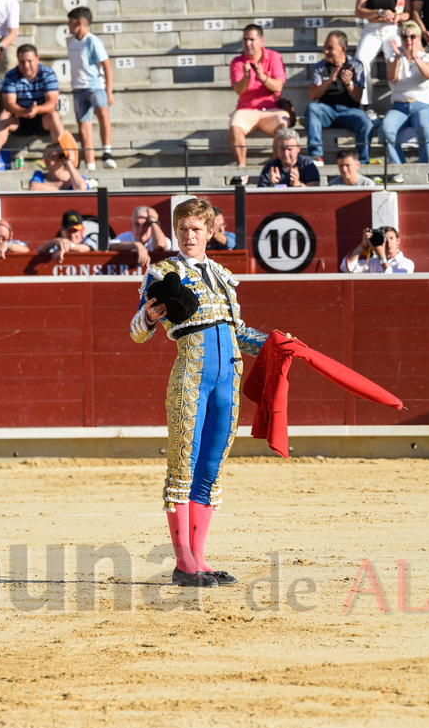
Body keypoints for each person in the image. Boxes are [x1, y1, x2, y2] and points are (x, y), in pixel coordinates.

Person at [130, 197, 270, 588]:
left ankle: (200, 559)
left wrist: (275, 344)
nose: (188, 236)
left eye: (196, 230)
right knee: (183, 467)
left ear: (210, 232)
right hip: (191, 378)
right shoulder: (162, 272)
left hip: (229, 381)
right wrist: (149, 316)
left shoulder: (224, 275)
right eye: (182, 230)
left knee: (210, 468)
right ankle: (184, 562)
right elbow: (136, 332)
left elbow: (237, 332)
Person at [379, 22, 429, 183]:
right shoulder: (394, 58)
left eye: (412, 36)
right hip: (400, 106)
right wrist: (399, 57)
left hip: (425, 105)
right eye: (405, 36)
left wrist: (415, 57)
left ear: (419, 38)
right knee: (386, 129)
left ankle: (424, 169)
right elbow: (392, 77)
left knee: (425, 126)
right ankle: (399, 170)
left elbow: (428, 74)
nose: (409, 40)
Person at [0, 44, 72, 162]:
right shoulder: (11, 75)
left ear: (37, 59)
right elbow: (9, 104)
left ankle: (63, 156)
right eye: (22, 62)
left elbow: (51, 103)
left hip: (42, 119)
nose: (26, 65)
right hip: (19, 118)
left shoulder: (47, 74)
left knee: (54, 115)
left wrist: (36, 110)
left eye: (29, 61)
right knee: (3, 116)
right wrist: (24, 112)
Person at [353, 0, 412, 111]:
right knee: (361, 59)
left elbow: (408, 12)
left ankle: (398, 101)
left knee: (395, 59)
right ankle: (365, 103)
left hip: (392, 30)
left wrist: (399, 17)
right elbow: (359, 11)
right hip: (371, 30)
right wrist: (378, 12)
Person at [305, 31, 372, 165]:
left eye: (330, 48)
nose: (326, 51)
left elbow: (358, 97)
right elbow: (313, 95)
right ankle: (316, 155)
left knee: (366, 123)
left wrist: (348, 84)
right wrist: (329, 81)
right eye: (325, 47)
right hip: (327, 111)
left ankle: (362, 161)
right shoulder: (320, 67)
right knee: (312, 109)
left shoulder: (356, 66)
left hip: (350, 111)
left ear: (343, 49)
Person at [227, 24, 289, 168]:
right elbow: (239, 90)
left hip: (272, 109)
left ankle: (276, 168)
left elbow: (278, 86)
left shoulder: (274, 57)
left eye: (251, 40)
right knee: (234, 126)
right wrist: (246, 77)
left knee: (283, 124)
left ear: (261, 41)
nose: (248, 44)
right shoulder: (237, 62)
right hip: (246, 109)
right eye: (245, 40)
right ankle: (241, 168)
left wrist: (263, 77)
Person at [67, 6, 116, 171]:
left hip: (94, 86)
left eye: (71, 22)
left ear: (79, 22)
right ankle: (90, 165)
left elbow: (107, 65)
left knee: (102, 112)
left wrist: (108, 91)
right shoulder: (71, 41)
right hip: (78, 88)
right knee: (84, 126)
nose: (68, 25)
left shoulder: (93, 41)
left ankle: (107, 153)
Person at [340, 226, 414, 273]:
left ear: (398, 241)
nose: (388, 242)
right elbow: (346, 267)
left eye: (391, 238)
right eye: (385, 239)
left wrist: (382, 257)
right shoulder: (373, 262)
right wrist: (362, 245)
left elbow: (397, 280)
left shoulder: (406, 263)